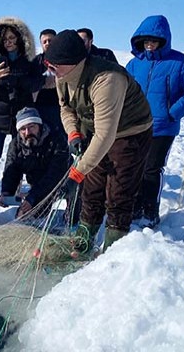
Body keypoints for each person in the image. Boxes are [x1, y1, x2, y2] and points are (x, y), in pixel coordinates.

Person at [45, 30, 153, 254]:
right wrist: (73, 134)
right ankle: (83, 241)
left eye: (54, 64)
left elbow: (106, 135)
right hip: (97, 131)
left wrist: (76, 174)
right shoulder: (61, 76)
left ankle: (112, 251)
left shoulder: (107, 79)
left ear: (74, 62)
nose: (50, 68)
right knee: (92, 187)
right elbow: (65, 108)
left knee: (118, 191)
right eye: (48, 63)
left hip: (130, 132)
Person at [126, 15, 184, 228]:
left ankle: (150, 213)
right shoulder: (134, 64)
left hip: (163, 127)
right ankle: (135, 209)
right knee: (134, 168)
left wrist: (173, 112)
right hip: (135, 126)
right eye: (145, 40)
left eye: (154, 40)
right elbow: (122, 91)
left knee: (152, 169)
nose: (149, 44)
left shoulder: (180, 62)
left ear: (164, 39)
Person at [0, 17, 43, 198]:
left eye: (12, 38)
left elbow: (37, 83)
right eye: (5, 39)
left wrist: (19, 79)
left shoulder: (29, 61)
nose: (9, 43)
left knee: (20, 152)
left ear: (20, 39)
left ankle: (16, 186)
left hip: (22, 113)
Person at [0, 108, 70, 219]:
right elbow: (11, 170)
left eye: (31, 127)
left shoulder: (57, 139)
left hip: (64, 180)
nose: (27, 133)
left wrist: (33, 196)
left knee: (73, 217)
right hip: (36, 183)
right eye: (23, 129)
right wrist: (7, 191)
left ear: (39, 126)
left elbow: (55, 174)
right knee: (29, 214)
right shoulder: (15, 145)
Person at [32, 28, 63, 133]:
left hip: (62, 107)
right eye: (44, 41)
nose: (47, 43)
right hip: (41, 106)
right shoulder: (36, 61)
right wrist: (43, 82)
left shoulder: (65, 60)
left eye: (50, 40)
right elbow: (29, 81)